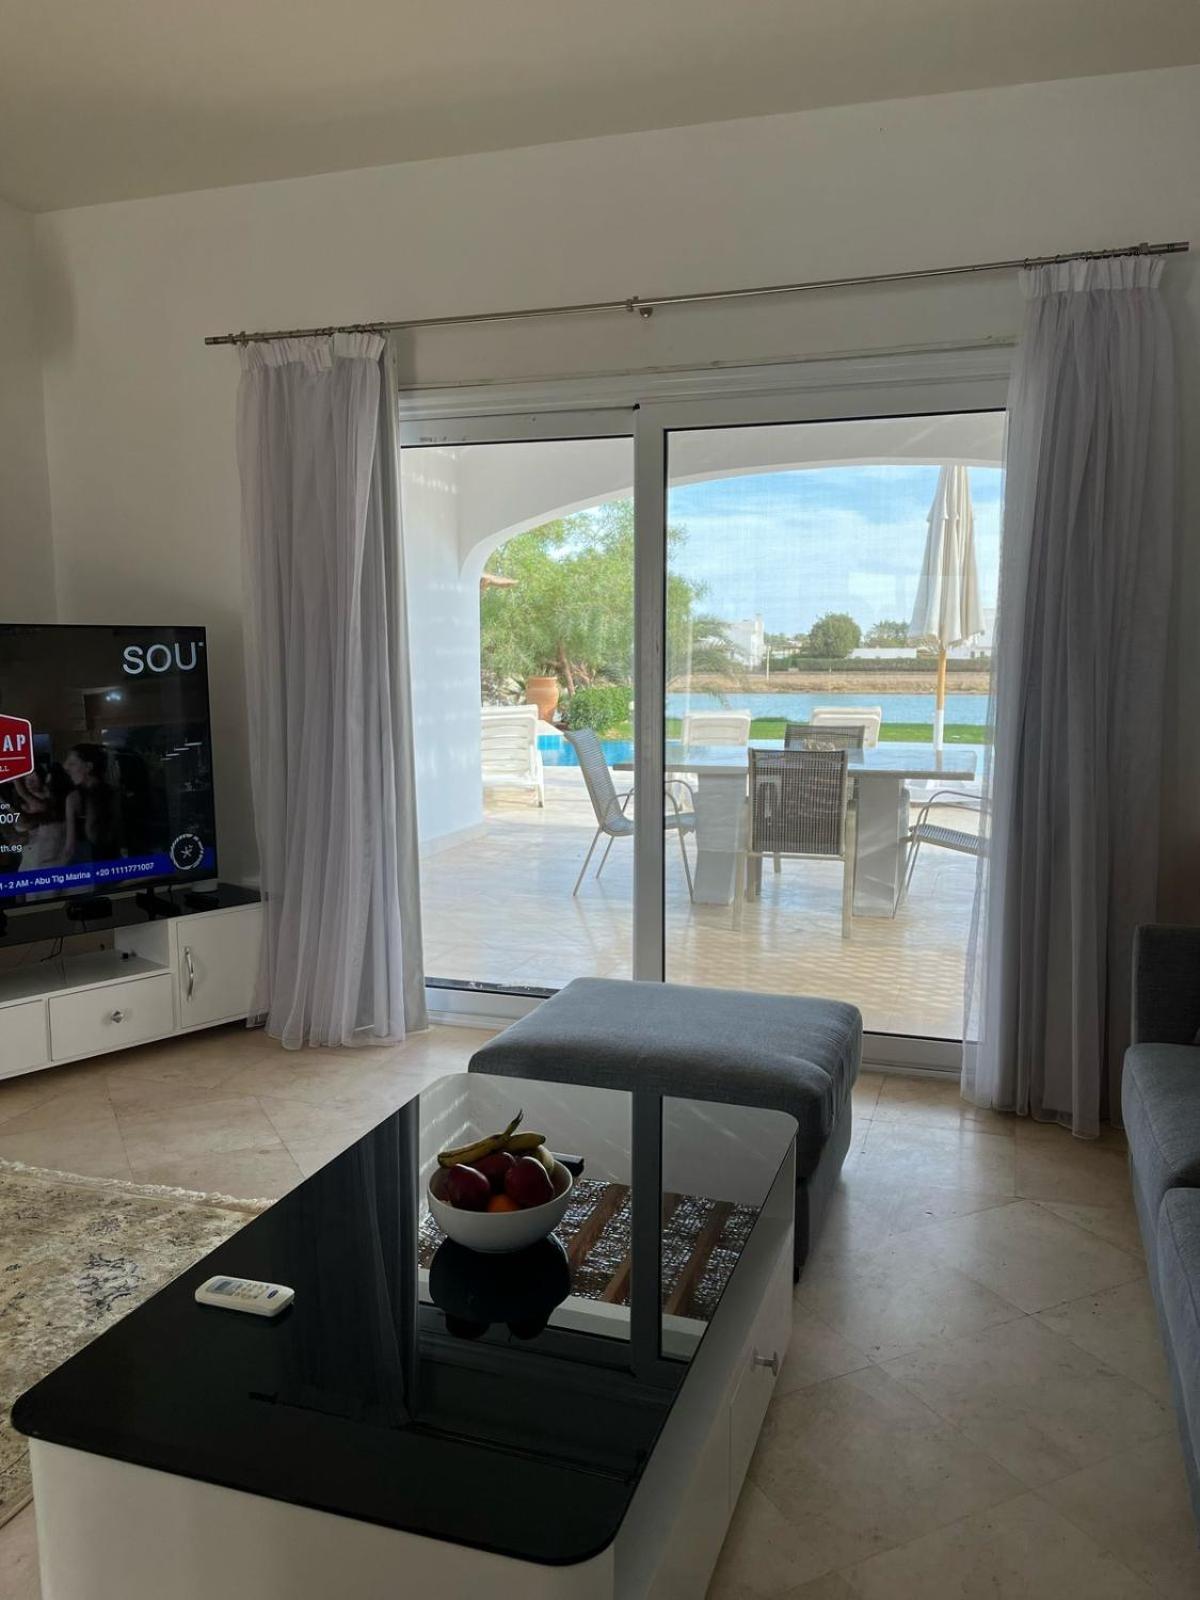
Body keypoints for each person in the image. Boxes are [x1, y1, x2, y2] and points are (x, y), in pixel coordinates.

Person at [61, 744, 120, 865]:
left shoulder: (74, 798)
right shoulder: (115, 793)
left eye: (72, 763)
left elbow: (70, 847)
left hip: (85, 866)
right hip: (114, 864)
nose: (66, 767)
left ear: (88, 767)